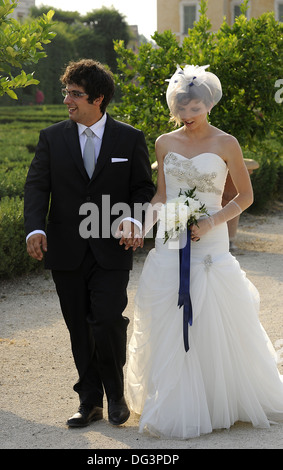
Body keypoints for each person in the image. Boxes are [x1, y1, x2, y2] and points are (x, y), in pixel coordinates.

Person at [125, 65, 283, 439]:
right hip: (169, 239)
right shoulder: (165, 142)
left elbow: (246, 197)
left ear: (208, 105)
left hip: (210, 241)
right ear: (174, 108)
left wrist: (213, 221)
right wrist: (141, 227)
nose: (189, 116)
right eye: (183, 109)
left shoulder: (227, 143)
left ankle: (219, 398)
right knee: (165, 313)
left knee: (215, 314)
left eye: (195, 109)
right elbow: (162, 196)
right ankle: (176, 399)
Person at [24, 59, 155, 428]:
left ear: (98, 98)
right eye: (66, 92)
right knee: (78, 327)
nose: (68, 99)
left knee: (107, 320)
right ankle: (89, 401)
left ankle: (115, 395)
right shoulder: (52, 137)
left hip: (113, 247)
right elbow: (36, 185)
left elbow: (143, 187)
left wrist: (132, 218)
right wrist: (35, 228)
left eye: (76, 94)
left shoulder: (129, 138)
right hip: (65, 248)